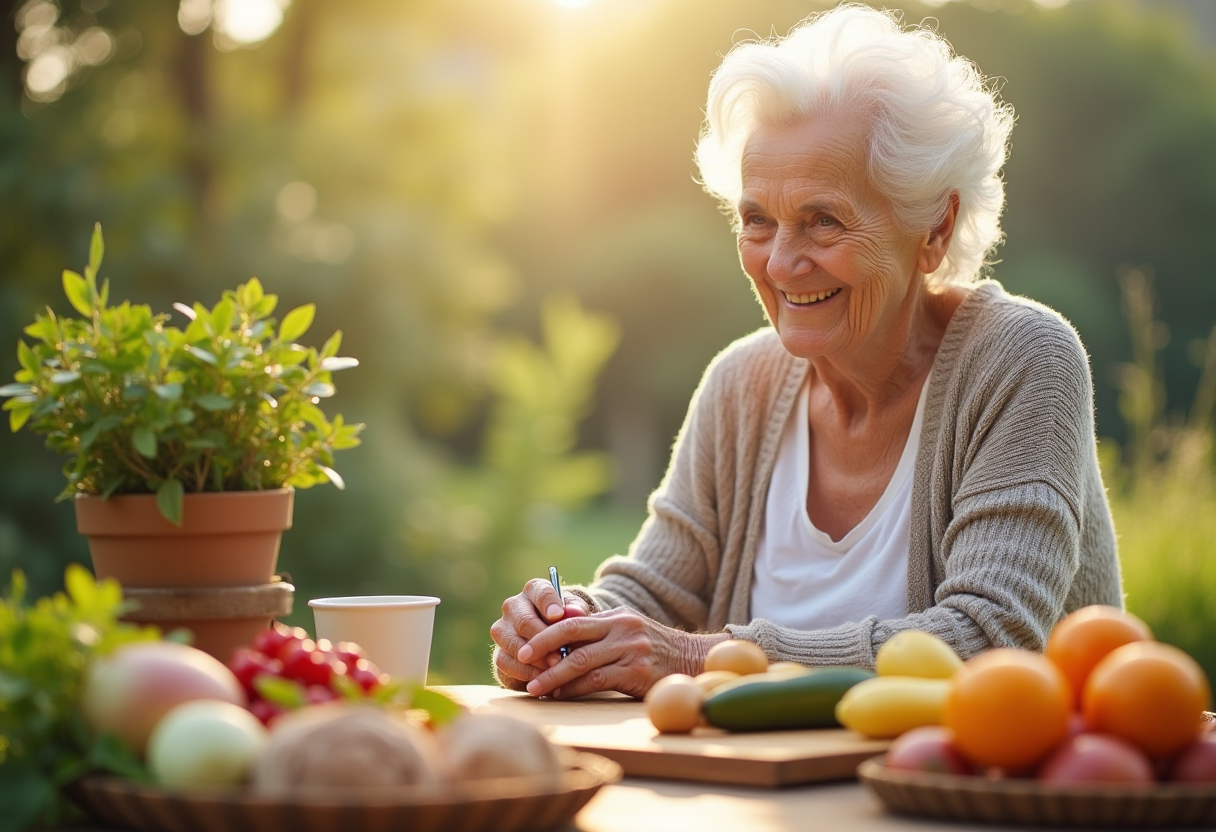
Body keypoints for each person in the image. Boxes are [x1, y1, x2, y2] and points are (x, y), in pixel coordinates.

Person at [491, 3, 1123, 700]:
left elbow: (987, 639)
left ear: (934, 229)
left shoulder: (1021, 360)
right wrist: (567, 628)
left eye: (823, 221)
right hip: (767, 802)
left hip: (970, 796)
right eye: (758, 221)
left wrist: (704, 659)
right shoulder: (741, 385)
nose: (783, 263)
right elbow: (652, 598)